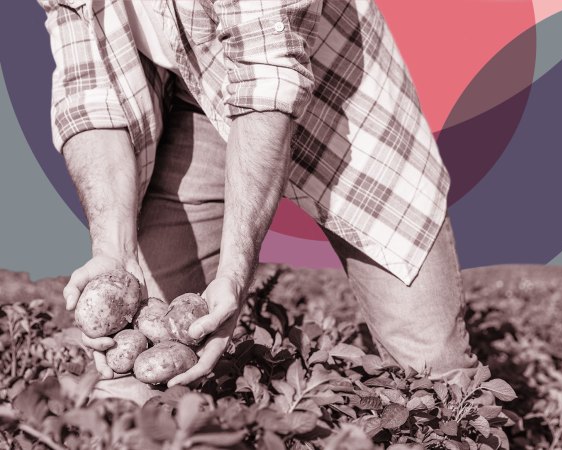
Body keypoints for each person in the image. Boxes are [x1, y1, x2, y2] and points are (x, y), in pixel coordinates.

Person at [38, 0, 478, 397]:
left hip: (339, 98)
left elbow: (266, 75)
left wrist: (234, 273)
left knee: (434, 370)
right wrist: (114, 254)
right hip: (194, 100)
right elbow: (90, 92)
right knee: (147, 359)